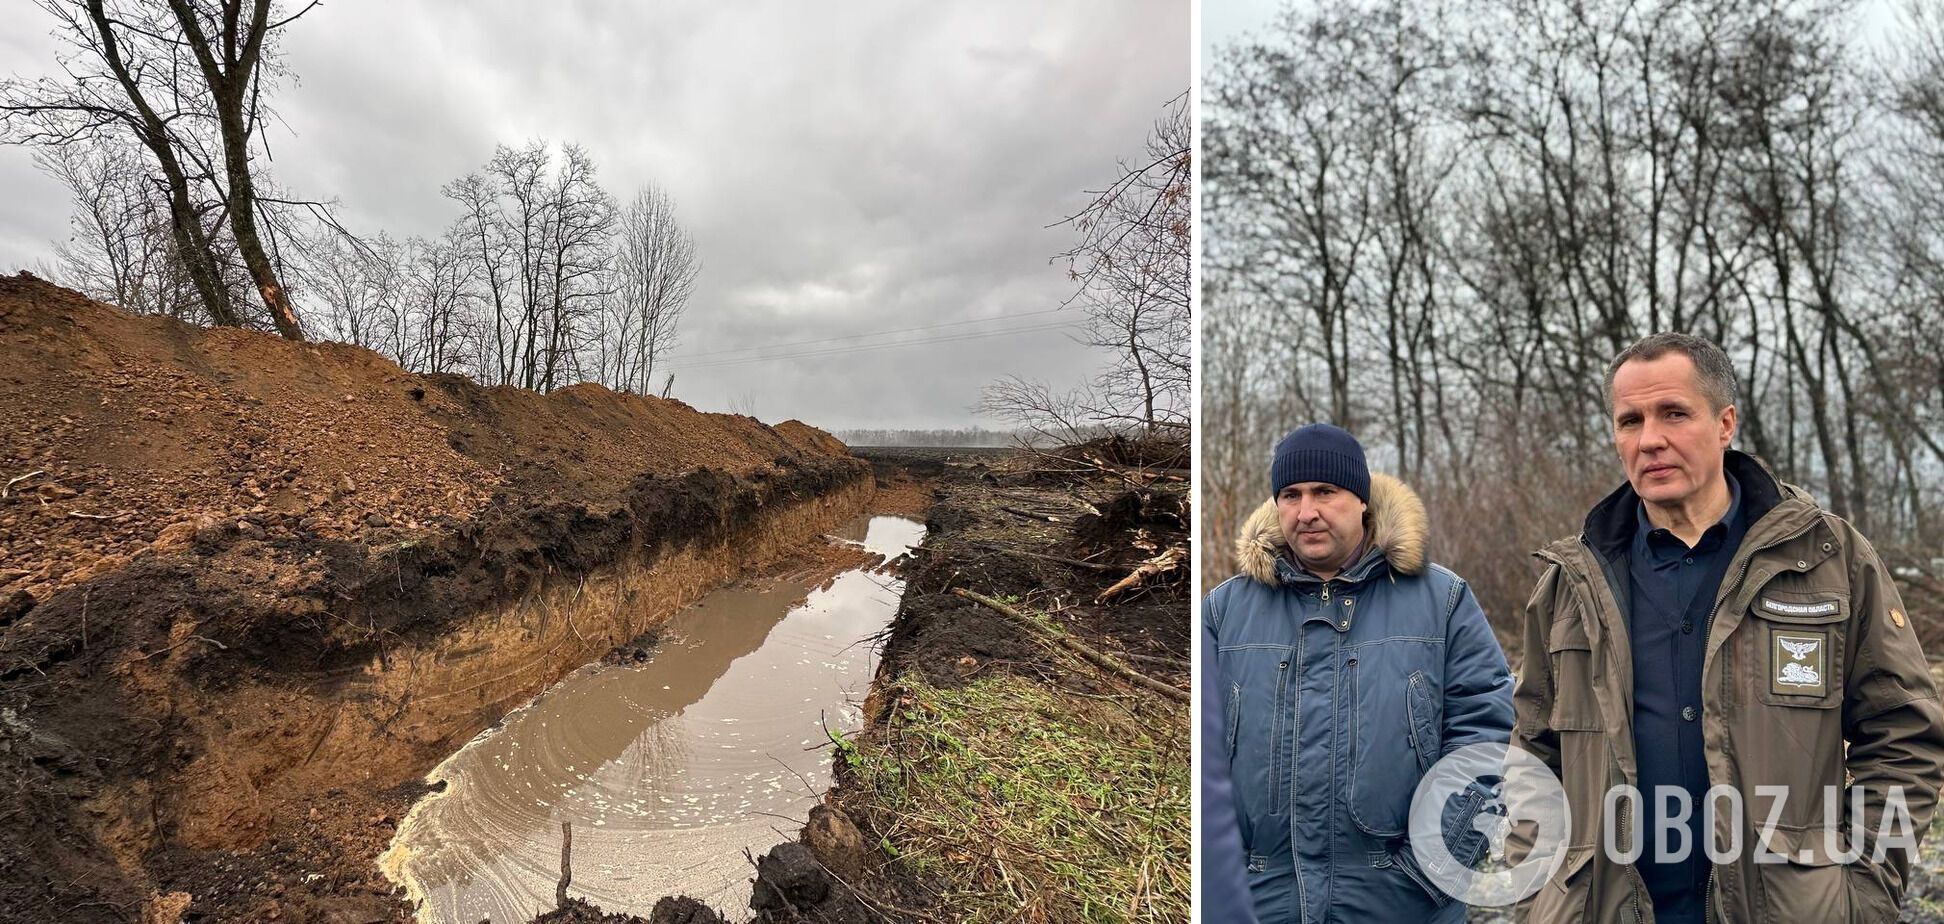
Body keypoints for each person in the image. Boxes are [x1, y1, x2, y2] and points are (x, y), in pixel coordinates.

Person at [1513, 332, 1944, 922]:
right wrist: (1538, 895)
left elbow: (1904, 734)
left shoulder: (1827, 558)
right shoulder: (1572, 582)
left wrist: (1864, 888)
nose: (1650, 440)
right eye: (1630, 421)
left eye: (1673, 414)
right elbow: (1531, 756)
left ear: (1725, 423)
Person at [1203, 423, 1514, 922]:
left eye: (1325, 492)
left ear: (1362, 499)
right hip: (1258, 900)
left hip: (1403, 902)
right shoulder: (1224, 611)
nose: (1307, 512)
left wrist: (1429, 867)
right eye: (1291, 495)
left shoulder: (1441, 601)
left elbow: (1483, 735)